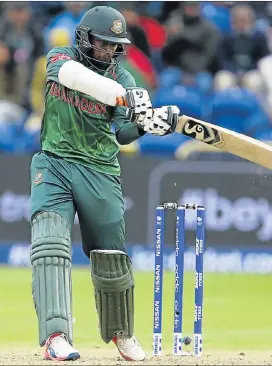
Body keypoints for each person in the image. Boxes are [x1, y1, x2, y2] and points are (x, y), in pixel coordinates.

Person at [29, 6, 179, 362]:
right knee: (49, 244)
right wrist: (123, 95)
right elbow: (73, 77)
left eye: (115, 45)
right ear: (84, 37)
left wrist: (150, 121)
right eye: (102, 42)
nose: (108, 50)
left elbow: (125, 133)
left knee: (111, 258)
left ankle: (121, 334)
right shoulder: (61, 57)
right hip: (55, 162)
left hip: (100, 170)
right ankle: (56, 335)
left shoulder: (126, 79)